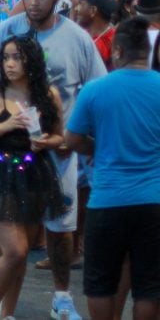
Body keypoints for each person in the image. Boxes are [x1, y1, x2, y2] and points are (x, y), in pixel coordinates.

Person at [0, 0, 107, 320]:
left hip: (59, 152)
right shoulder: (4, 32)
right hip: (7, 155)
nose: (33, 1)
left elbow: (96, 90)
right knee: (14, 238)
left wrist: (75, 138)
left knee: (61, 230)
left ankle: (61, 298)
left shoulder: (77, 38)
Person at [66, 17, 160, 320]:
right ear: (147, 51)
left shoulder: (95, 90)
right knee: (150, 287)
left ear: (117, 50)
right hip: (154, 201)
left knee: (100, 283)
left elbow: (72, 138)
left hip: (108, 199)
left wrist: (95, 149)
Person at [0, 35, 67, 320]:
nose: (10, 64)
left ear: (32, 61)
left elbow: (61, 135)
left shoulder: (48, 95)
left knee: (15, 253)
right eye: (6, 58)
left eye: (17, 58)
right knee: (17, 249)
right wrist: (8, 124)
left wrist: (47, 142)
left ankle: (7, 313)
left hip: (34, 173)